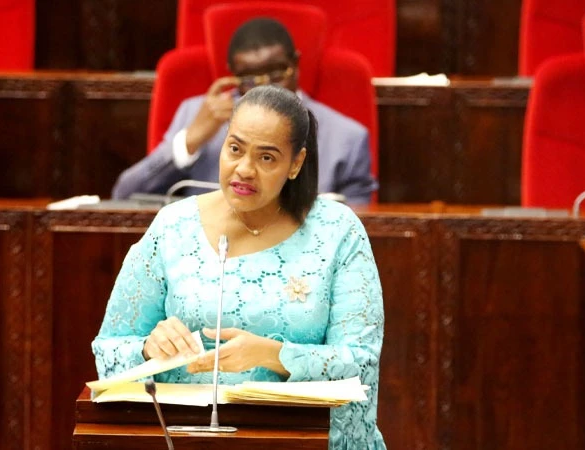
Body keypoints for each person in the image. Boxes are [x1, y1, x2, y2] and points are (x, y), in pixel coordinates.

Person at [93, 85, 386, 449]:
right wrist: (150, 349)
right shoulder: (173, 226)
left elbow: (360, 362)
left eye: (266, 158)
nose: (244, 169)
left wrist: (272, 355)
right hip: (188, 437)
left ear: (296, 163)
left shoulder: (338, 232)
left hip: (298, 440)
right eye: (235, 149)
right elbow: (110, 349)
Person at [111, 18, 377, 205]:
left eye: (276, 73)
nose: (265, 87)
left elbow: (357, 234)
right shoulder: (197, 114)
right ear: (232, 74)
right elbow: (125, 194)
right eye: (249, 78)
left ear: (295, 64)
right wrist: (190, 140)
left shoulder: (346, 138)